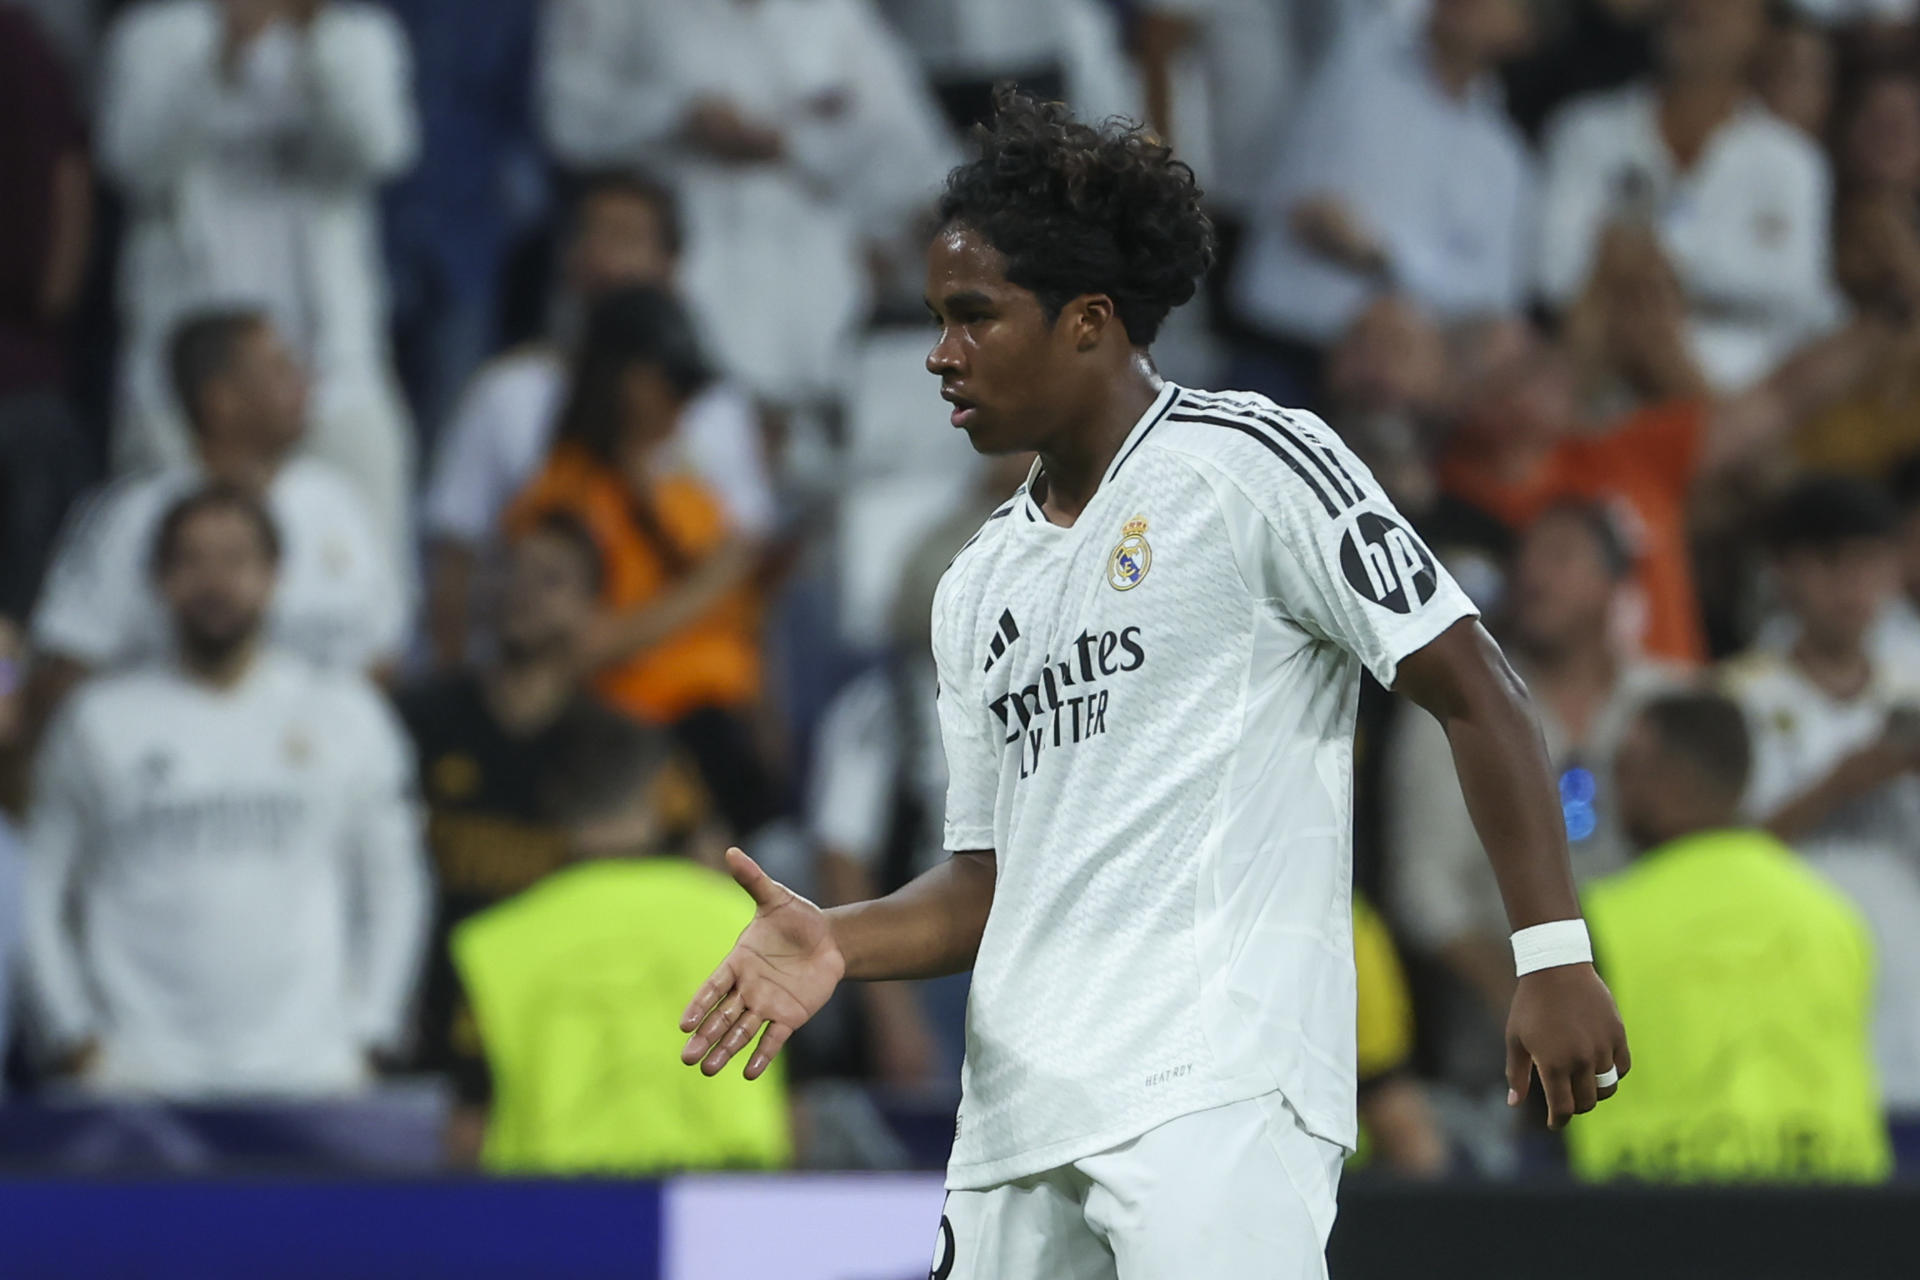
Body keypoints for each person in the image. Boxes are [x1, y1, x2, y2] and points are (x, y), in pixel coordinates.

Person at [679, 93, 1628, 1277]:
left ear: (1087, 321)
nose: (939, 353)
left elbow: (1479, 687)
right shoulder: (974, 585)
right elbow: (990, 879)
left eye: (973, 317)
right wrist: (840, 937)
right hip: (1017, 1118)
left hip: (1216, 1088)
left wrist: (1552, 951)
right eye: (934, 319)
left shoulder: (1253, 467)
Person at [22, 485, 429, 1098]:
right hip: (136, 1080)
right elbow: (37, 886)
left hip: (311, 1077)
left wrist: (372, 1032)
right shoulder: (97, 722)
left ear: (275, 576)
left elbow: (394, 882)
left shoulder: (345, 714)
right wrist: (72, 1037)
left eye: (237, 561)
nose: (215, 582)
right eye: (192, 561)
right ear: (159, 580)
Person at [98, 0, 420, 557]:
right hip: (185, 372)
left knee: (365, 550)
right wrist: (225, 53)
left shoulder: (357, 35)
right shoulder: (154, 35)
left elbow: (381, 148)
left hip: (333, 366)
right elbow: (131, 160)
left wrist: (317, 40)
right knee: (170, 559)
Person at [423, 172, 775, 669]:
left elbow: (743, 559)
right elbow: (456, 557)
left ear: (670, 264)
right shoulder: (506, 392)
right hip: (538, 678)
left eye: (627, 238)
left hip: (686, 689)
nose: (605, 257)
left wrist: (618, 639)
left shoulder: (716, 406)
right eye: (590, 234)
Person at [1384, 502, 1680, 1083]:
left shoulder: (1670, 702)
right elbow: (1424, 892)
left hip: (1664, 1041)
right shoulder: (1454, 707)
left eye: (1562, 557)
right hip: (1502, 1056)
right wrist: (1540, 992)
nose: (1534, 576)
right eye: (1526, 558)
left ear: (1615, 584)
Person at [538, 0, 954, 411]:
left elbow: (921, 160)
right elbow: (569, 118)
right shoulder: (630, 10)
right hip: (682, 294)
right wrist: (678, 117)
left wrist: (893, 234)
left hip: (817, 312)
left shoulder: (832, 15)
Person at [397, 512, 675, 1112]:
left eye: (550, 579)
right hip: (431, 1027)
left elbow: (702, 878)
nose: (519, 590)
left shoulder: (628, 748)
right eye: (505, 570)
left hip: (567, 1038)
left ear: (592, 608)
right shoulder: (417, 722)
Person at [1438, 301, 1895, 665]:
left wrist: (1888, 315)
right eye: (1526, 370)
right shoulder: (1451, 510)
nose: (1553, 375)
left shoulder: (1622, 453)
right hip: (1557, 734)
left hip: (1678, 717)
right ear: (1475, 399)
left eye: (1546, 360)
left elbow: (1778, 400)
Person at [1567, 690, 1891, 1182]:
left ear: (1663, 775)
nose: (1615, 785)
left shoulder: (1602, 922)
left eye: (1625, 765)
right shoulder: (1835, 916)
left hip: (1649, 1216)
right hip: (1834, 1211)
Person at [28, 309, 408, 728]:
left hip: (313, 766)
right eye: (280, 369)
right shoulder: (132, 518)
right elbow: (67, 669)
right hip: (169, 766)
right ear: (221, 400)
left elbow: (381, 659)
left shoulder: (338, 504)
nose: (305, 381)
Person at [448, 722, 791, 1175]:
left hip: (550, 1220)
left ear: (553, 799)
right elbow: (794, 1105)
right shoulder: (748, 925)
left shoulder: (493, 940)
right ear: (659, 791)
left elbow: (469, 1128)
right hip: (726, 1212)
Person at [504, 287, 771, 840]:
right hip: (622, 751)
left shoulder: (689, 494)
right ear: (629, 380)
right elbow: (573, 647)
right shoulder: (561, 496)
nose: (684, 402)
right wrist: (710, 583)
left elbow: (747, 630)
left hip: (718, 740)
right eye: (675, 383)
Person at [1723, 474, 1920, 1115]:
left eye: (1873, 562)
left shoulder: (1912, 686)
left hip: (1906, 1001)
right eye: (1833, 562)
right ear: (1784, 571)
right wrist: (1841, 784)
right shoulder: (1734, 699)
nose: (1854, 587)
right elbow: (1712, 862)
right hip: (1784, 998)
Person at [1228, 0, 1534, 406]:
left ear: (1522, 31)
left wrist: (1384, 257)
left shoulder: (1503, 157)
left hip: (1396, 392)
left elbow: (1493, 301)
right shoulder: (1352, 52)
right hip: (1279, 352)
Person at [1536, 0, 1842, 391]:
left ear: (1762, 31)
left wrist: (1666, 271)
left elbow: (1798, 298)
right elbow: (1554, 276)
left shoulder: (1793, 162)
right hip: (1603, 380)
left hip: (1740, 405)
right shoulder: (1586, 129)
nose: (1697, 9)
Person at [0, 2, 92, 629]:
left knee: (17, 604)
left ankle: (8, 716)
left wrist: (45, 313)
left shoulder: (13, 43)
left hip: (15, 376)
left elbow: (68, 174)